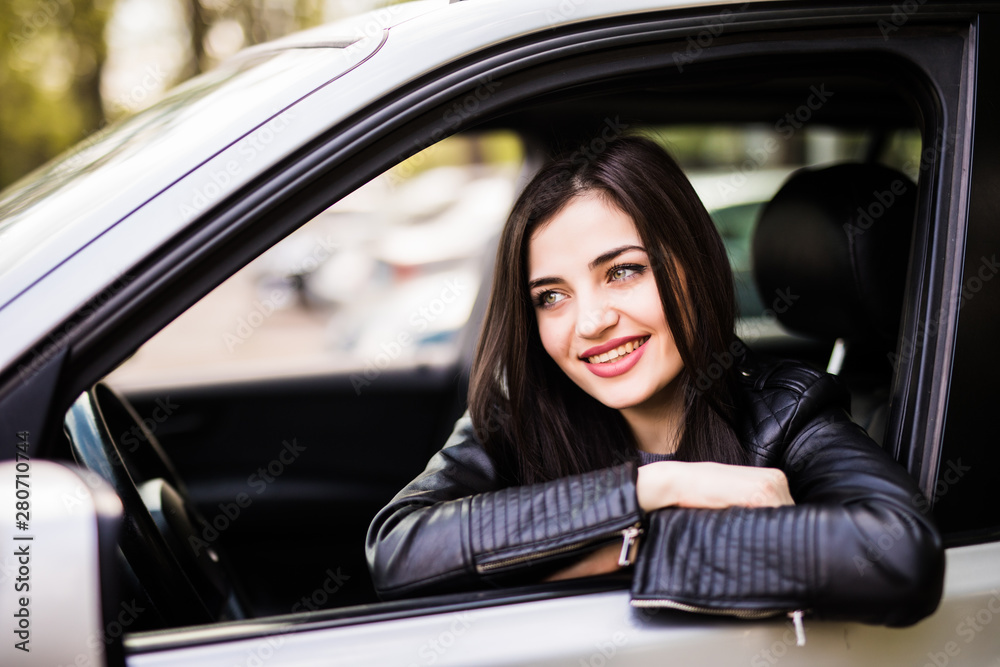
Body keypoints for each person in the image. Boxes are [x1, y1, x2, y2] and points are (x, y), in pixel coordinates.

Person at [365, 136, 944, 629]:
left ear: (693, 266)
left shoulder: (784, 414)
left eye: (623, 271)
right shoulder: (515, 418)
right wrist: (648, 491)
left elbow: (901, 559)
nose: (590, 323)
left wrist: (623, 547)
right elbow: (399, 551)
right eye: (552, 296)